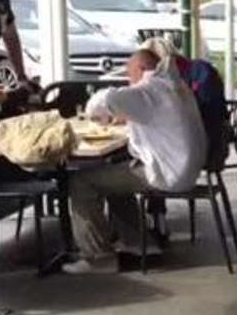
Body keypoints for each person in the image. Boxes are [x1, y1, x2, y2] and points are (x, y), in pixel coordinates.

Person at [64, 48, 206, 274]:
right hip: (188, 168)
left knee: (82, 182)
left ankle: (99, 258)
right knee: (114, 174)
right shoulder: (174, 86)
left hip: (169, 173)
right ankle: (141, 246)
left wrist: (98, 111)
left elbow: (105, 99)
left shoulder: (150, 89)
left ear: (141, 70)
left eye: (130, 74)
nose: (129, 80)